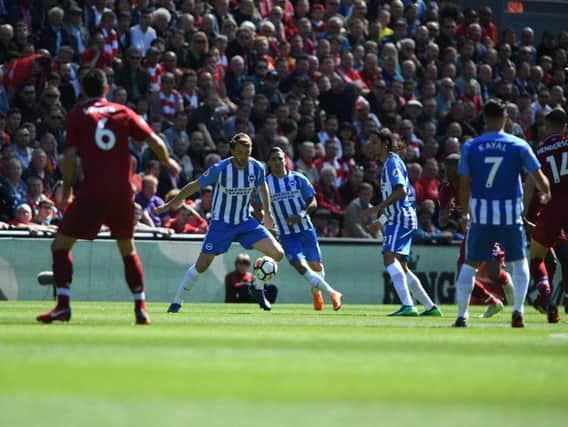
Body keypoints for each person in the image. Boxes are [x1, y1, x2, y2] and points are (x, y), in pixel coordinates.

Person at [36, 69, 181, 325]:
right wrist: (168, 162)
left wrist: (67, 192)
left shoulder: (78, 115)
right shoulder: (122, 112)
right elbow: (154, 140)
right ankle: (140, 307)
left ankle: (63, 306)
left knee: (61, 245)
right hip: (122, 193)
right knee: (127, 249)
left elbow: (69, 158)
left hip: (92, 191)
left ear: (82, 89)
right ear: (106, 89)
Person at [155, 132, 284, 312]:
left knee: (278, 253)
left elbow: (263, 188)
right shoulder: (220, 169)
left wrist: (267, 214)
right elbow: (194, 185)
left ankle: (258, 287)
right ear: (232, 151)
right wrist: (170, 203)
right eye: (239, 153)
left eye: (247, 153)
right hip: (221, 224)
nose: (243, 157)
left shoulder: (257, 168)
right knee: (202, 266)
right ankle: (177, 301)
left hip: (245, 222)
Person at [454, 99, 551, 328]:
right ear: (505, 118)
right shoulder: (518, 145)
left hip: (482, 215)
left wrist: (465, 211)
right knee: (518, 262)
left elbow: (464, 183)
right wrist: (546, 192)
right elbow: (538, 176)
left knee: (469, 264)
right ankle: (518, 311)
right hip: (509, 215)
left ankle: (462, 315)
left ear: (484, 118)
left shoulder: (471, 146)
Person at [365, 128, 442, 317]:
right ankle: (430, 306)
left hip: (401, 218)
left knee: (388, 258)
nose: (370, 145)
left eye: (374, 142)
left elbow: (401, 192)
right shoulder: (389, 164)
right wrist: (381, 221)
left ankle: (408, 305)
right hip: (400, 217)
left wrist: (377, 208)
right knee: (402, 266)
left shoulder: (392, 163)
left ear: (384, 144)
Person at [259, 147, 343, 311]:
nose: (277, 162)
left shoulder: (298, 178)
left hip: (305, 230)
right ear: (268, 162)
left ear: (285, 160)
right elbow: (257, 205)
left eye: (280, 158)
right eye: (273, 159)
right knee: (300, 266)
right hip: (286, 234)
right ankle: (333, 293)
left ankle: (317, 293)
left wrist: (301, 214)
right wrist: (266, 220)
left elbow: (313, 202)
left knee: (316, 266)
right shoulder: (265, 184)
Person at [524, 109, 568, 323]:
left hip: (551, 207)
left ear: (548, 126)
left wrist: (523, 213)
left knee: (536, 257)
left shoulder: (540, 151)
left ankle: (548, 299)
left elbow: (532, 185)